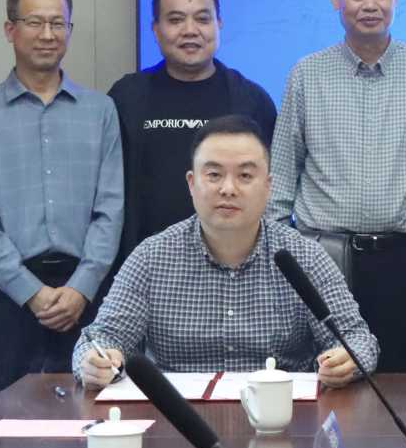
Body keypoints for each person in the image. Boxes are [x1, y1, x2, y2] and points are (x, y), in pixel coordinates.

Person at [266, 0, 406, 373]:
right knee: (325, 383)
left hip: (404, 263)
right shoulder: (307, 75)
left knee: (401, 387)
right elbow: (279, 183)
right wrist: (286, 266)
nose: (369, 4)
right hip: (323, 259)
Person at [74, 116, 377, 387]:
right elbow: (99, 338)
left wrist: (347, 360)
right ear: (192, 184)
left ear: (268, 186)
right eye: (214, 175)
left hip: (283, 415)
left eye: (245, 176)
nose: (228, 189)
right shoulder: (151, 257)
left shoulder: (305, 256)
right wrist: (95, 361)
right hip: (179, 419)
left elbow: (357, 339)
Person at [0, 0, 124, 403]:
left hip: (84, 293)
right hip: (5, 296)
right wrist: (30, 292)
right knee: (5, 423)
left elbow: (111, 208)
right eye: (35, 23)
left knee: (91, 417)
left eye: (58, 23)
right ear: (10, 30)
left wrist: (82, 287)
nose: (47, 34)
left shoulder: (100, 111)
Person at [105, 0, 276, 276]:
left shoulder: (251, 99)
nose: (190, 30)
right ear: (156, 29)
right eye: (175, 20)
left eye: (202, 19)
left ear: (218, 24)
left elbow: (271, 188)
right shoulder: (127, 97)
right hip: (146, 268)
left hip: (235, 267)